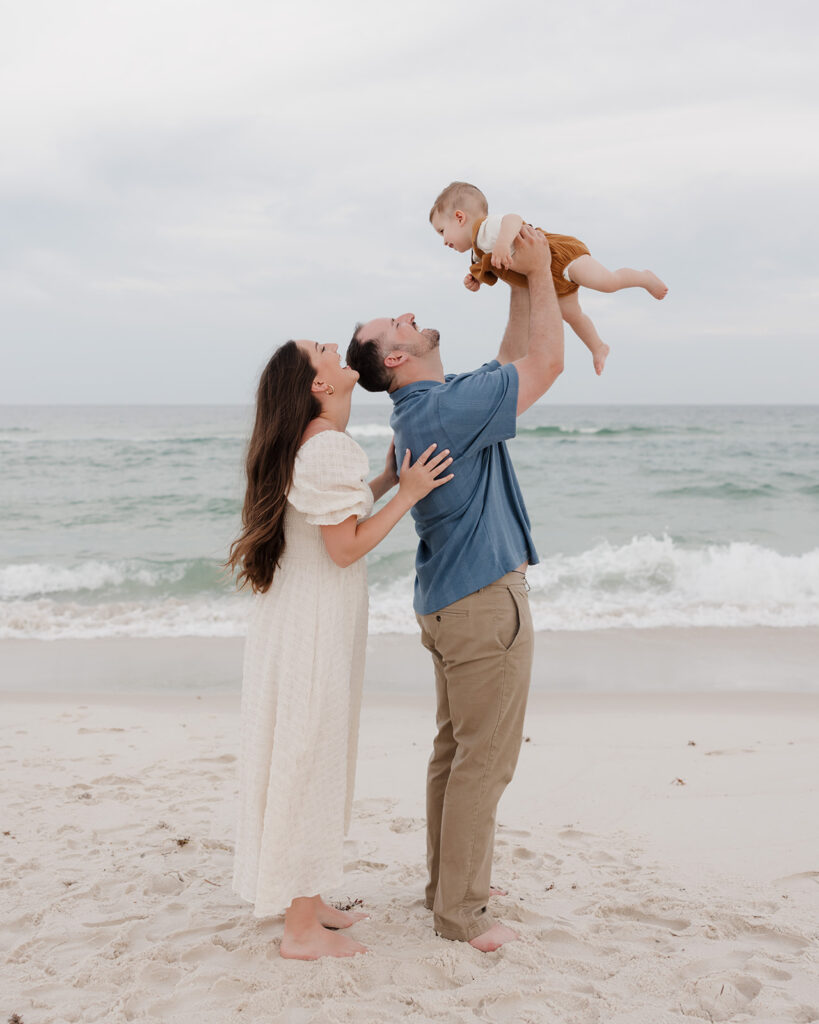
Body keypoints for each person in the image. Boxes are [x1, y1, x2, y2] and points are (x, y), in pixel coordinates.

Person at [345, 225, 563, 952]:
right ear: (397, 357)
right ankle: (461, 912)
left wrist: (510, 283)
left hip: (448, 603)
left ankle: (448, 886)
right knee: (484, 761)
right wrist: (539, 273)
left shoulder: (432, 407)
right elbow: (545, 363)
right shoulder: (443, 411)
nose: (406, 313)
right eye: (394, 325)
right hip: (479, 604)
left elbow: (509, 359)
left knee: (454, 752)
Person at [227, 339, 453, 961]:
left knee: (312, 752)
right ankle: (300, 929)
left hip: (302, 617)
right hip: (314, 624)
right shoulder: (326, 446)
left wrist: (381, 480)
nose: (332, 345)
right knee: (310, 755)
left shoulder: (316, 445)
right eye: (320, 350)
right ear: (318, 387)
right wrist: (406, 493)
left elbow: (334, 519)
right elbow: (345, 547)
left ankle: (308, 898)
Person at [429, 180, 668, 375]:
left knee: (607, 283)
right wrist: (476, 281)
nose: (444, 241)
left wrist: (503, 242)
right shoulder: (476, 252)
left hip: (560, 257)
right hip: (551, 279)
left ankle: (644, 278)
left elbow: (513, 219)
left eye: (442, 231)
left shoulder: (486, 229)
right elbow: (485, 270)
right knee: (572, 315)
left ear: (460, 218)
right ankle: (598, 346)